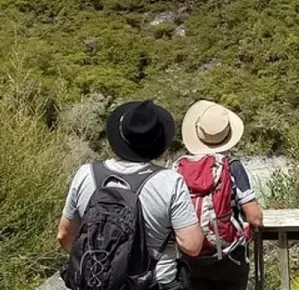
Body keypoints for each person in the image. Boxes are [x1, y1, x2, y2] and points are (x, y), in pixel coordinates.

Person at [57, 100, 205, 290]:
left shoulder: (86, 173)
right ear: (158, 142)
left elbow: (64, 235)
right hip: (153, 283)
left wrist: (101, 267)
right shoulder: (170, 181)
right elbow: (192, 245)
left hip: (96, 281)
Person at [177, 100, 264, 290]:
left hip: (191, 258)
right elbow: (255, 218)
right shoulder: (232, 167)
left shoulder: (179, 168)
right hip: (229, 258)